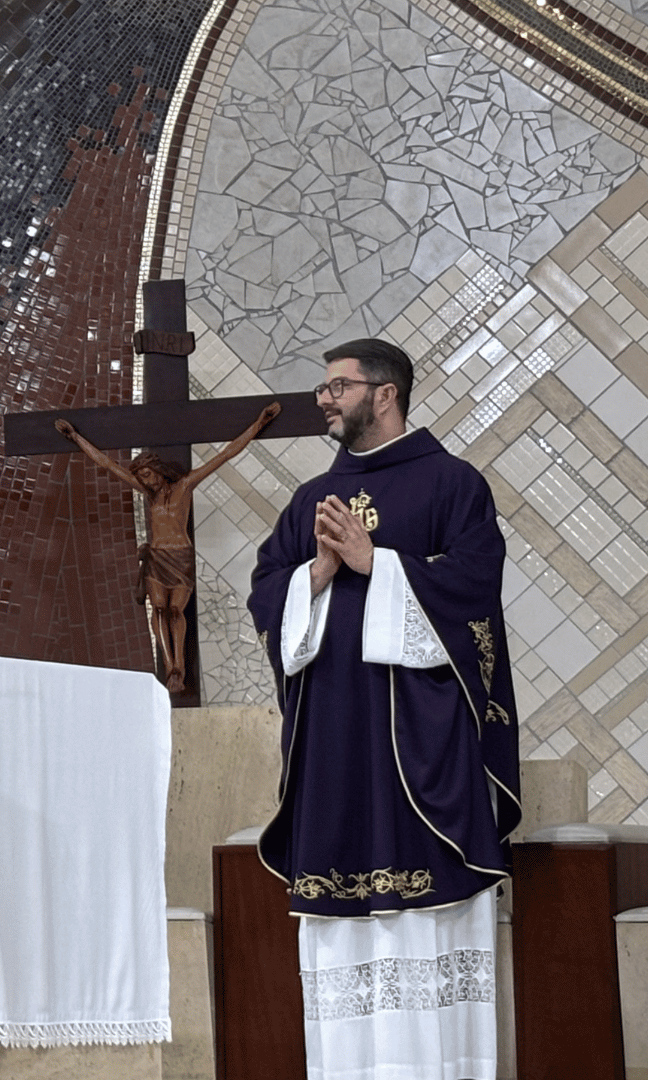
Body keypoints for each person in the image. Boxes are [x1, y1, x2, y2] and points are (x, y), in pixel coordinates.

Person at [247, 339, 520, 1080]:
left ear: (386, 392)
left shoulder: (453, 484)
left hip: (418, 747)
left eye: (338, 386)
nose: (325, 399)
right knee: (344, 935)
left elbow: (474, 591)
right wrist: (317, 574)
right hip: (334, 743)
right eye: (325, 387)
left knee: (424, 929)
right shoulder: (309, 502)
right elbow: (267, 597)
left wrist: (380, 566)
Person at [55, 402, 281, 691]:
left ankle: (180, 668)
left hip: (180, 556)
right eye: (141, 478)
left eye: (148, 475)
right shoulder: (148, 496)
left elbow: (226, 454)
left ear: (159, 471)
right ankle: (170, 667)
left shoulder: (184, 486)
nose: (144, 482)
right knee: (159, 608)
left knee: (176, 610)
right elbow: (107, 465)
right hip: (157, 557)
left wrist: (260, 422)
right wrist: (75, 437)